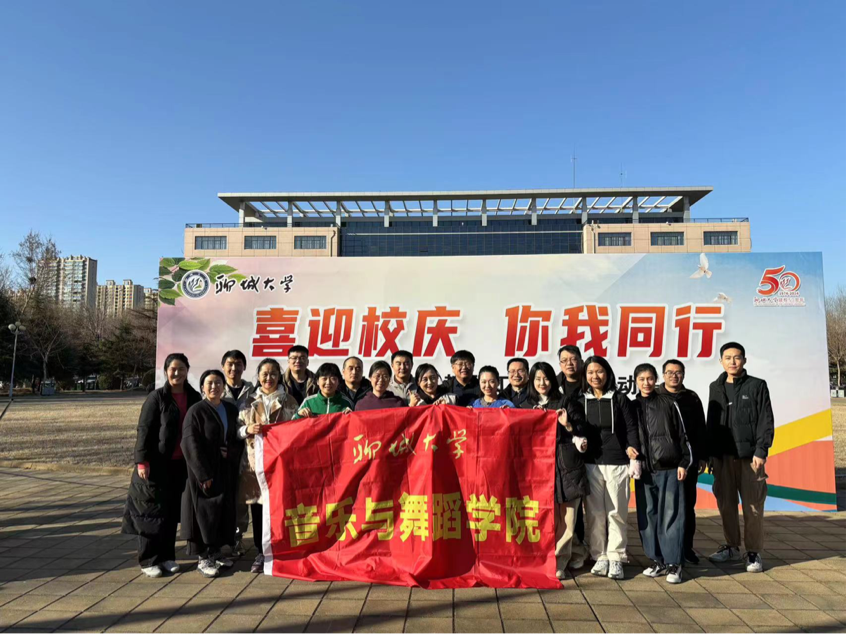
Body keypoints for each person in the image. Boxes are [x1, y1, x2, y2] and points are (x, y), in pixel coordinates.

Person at [122, 353, 201, 578]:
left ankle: (167, 556)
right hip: (156, 464)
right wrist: (142, 461)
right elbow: (144, 430)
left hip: (181, 465)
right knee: (150, 512)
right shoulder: (156, 398)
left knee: (170, 512)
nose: (177, 373)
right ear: (166, 371)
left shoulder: (194, 397)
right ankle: (149, 559)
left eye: (181, 369)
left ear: (187, 371)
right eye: (173, 369)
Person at [706, 342, 774, 573]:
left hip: (749, 458)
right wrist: (710, 454)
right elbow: (711, 422)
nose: (732, 362)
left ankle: (753, 552)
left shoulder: (757, 385)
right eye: (728, 358)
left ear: (744, 360)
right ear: (721, 361)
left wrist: (761, 450)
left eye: (737, 357)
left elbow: (766, 420)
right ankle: (731, 546)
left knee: (753, 506)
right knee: (726, 504)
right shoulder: (715, 387)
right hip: (723, 457)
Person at [519, 362, 588, 579]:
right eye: (538, 379)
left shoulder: (566, 402)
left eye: (546, 378)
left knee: (567, 517)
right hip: (538, 469)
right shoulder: (524, 405)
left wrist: (567, 425)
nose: (542, 383)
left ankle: (559, 561)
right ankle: (579, 551)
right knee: (546, 517)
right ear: (531, 381)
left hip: (566, 466)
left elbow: (582, 429)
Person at [577, 355, 640, 580]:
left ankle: (616, 557)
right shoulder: (580, 400)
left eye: (599, 371)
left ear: (608, 373)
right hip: (591, 463)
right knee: (595, 513)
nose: (595, 376)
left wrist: (632, 450)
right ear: (585, 376)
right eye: (590, 372)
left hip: (617, 463)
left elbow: (631, 427)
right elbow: (575, 428)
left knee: (617, 512)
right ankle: (600, 555)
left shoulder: (619, 398)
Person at [633, 363, 691, 585]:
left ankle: (674, 563)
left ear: (656, 379)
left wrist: (684, 462)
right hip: (644, 470)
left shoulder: (668, 402)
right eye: (641, 379)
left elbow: (683, 434)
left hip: (669, 468)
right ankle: (657, 560)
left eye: (650, 378)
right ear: (635, 381)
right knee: (648, 515)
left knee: (671, 515)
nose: (646, 383)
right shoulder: (632, 406)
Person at [180, 370, 243, 578]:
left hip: (225, 469)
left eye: (218, 383)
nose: (214, 387)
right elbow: (190, 444)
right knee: (203, 515)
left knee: (222, 512)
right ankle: (203, 557)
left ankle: (216, 552)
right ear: (202, 387)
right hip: (204, 473)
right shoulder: (196, 411)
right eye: (210, 383)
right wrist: (203, 474)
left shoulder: (230, 409)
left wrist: (230, 452)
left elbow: (237, 438)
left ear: (224, 386)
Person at [238, 358, 299, 573]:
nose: (269, 378)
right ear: (258, 376)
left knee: (280, 507)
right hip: (255, 463)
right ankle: (261, 551)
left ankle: (282, 549)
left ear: (279, 376)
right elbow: (236, 429)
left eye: (273, 373)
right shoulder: (248, 401)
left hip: (281, 463)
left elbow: (298, 429)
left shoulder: (289, 400)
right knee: (258, 508)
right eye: (264, 374)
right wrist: (247, 430)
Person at [656, 359, 707, 565]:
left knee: (687, 506)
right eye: (669, 372)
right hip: (662, 462)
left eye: (678, 372)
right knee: (663, 508)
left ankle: (686, 548)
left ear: (683, 375)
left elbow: (701, 428)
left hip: (688, 461)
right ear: (663, 375)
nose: (673, 376)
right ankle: (663, 551)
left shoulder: (691, 397)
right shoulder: (655, 396)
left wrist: (702, 456)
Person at [556, 344, 589, 568]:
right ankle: (573, 551)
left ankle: (590, 550)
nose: (569, 363)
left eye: (573, 359)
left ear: (581, 361)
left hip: (593, 452)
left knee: (591, 509)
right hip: (566, 457)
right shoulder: (554, 387)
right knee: (568, 508)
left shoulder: (591, 383)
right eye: (564, 360)